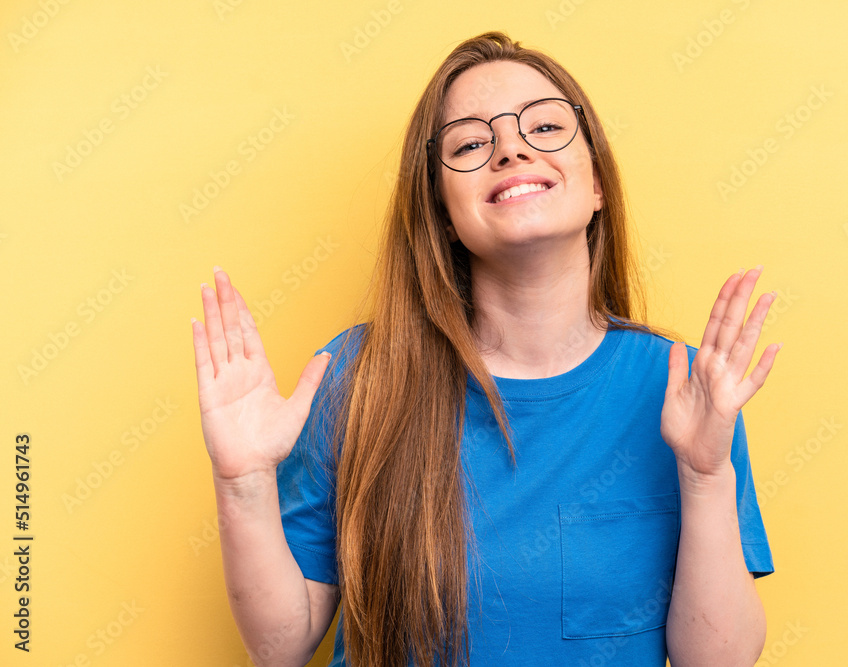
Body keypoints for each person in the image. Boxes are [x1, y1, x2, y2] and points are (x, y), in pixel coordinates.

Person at [193, 31, 781, 667]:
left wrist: (704, 476)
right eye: (472, 143)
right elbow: (278, 648)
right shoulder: (363, 376)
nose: (511, 149)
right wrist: (243, 482)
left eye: (547, 127)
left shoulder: (681, 388)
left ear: (597, 185)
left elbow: (717, 662)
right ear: (442, 212)